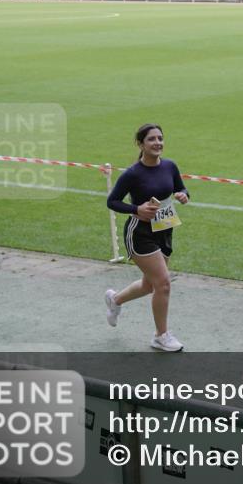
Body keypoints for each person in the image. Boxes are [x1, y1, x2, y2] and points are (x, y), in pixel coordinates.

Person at [104, 123, 190, 352]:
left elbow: (181, 188)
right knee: (162, 284)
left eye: (160, 138)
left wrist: (183, 195)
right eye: (151, 139)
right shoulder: (132, 174)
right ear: (141, 144)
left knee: (149, 285)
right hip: (140, 233)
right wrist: (136, 210)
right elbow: (112, 201)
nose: (157, 143)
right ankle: (161, 336)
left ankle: (115, 300)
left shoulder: (170, 166)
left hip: (165, 227)